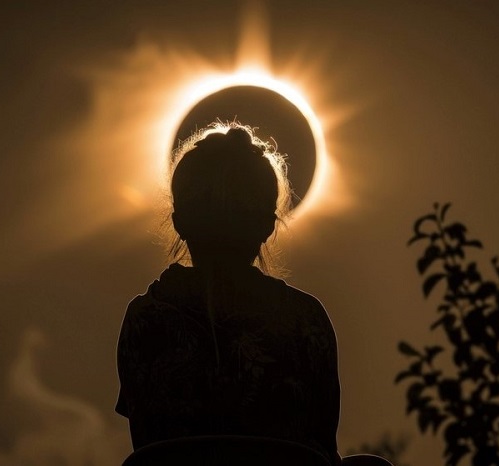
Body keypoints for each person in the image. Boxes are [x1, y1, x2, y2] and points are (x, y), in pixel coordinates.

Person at [115, 123, 341, 465]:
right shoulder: (305, 321)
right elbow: (323, 450)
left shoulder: (145, 319)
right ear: (267, 225)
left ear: (179, 221)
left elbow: (147, 447)